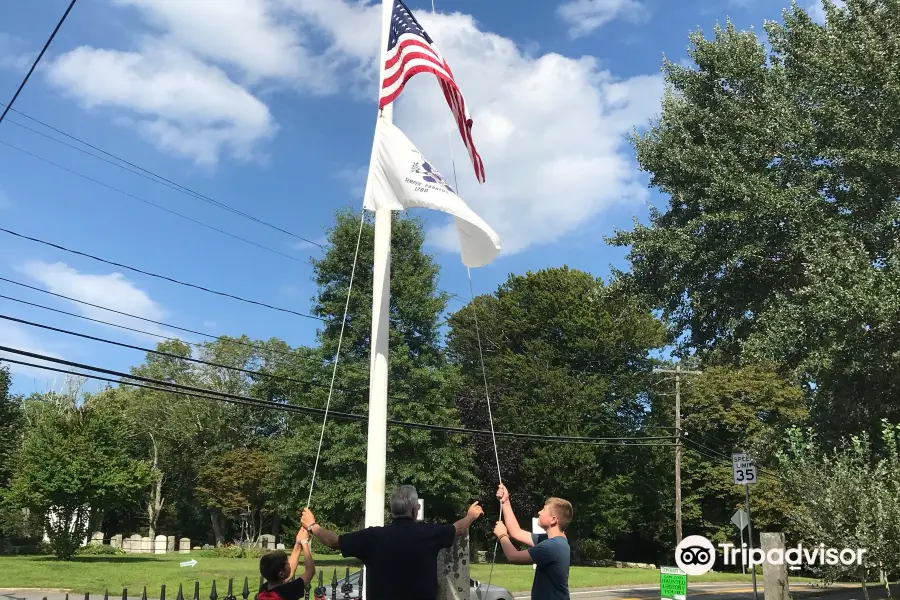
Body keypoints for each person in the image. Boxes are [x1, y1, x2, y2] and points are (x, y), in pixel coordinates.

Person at [301, 485, 483, 600]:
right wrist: (470, 516)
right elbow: (458, 528)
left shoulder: (372, 537)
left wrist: (311, 525)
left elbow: (332, 540)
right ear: (415, 510)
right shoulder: (429, 533)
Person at [492, 483, 572, 600]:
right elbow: (516, 532)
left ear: (553, 519)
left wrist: (502, 535)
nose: (539, 512)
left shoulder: (552, 546)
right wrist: (506, 501)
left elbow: (513, 557)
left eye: (544, 510)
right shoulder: (554, 541)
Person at [256, 522, 316, 600]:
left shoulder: (264, 590)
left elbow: (286, 575)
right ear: (281, 574)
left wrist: (298, 544)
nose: (289, 564)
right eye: (287, 563)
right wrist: (304, 542)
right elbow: (310, 571)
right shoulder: (289, 591)